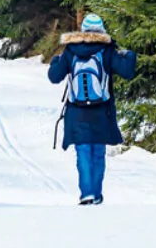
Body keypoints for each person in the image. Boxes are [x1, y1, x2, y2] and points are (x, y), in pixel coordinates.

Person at [48, 14, 137, 206]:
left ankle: (86, 193)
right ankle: (95, 194)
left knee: (83, 152)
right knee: (98, 152)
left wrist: (56, 61)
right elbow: (127, 72)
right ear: (101, 31)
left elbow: (54, 77)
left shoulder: (70, 50)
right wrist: (130, 56)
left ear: (83, 30)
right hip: (101, 111)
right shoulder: (107, 50)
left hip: (76, 111)